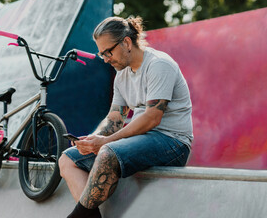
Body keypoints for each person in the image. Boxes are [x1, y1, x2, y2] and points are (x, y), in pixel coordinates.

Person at [59, 16, 193, 218]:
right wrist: (93, 139)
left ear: (127, 42)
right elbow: (115, 119)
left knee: (107, 152)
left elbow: (151, 118)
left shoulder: (159, 65)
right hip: (139, 139)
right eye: (101, 54)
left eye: (108, 52)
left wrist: (106, 142)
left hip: (172, 142)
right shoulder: (122, 75)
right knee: (67, 159)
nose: (105, 59)